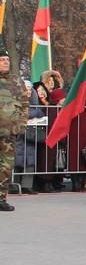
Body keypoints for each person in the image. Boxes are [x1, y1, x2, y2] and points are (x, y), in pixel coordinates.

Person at [0, 48, 28, 211]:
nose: (6, 62)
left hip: (9, 132)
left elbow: (24, 105)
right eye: (2, 59)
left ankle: (1, 198)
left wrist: (21, 124)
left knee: (6, 168)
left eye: (7, 60)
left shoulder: (17, 81)